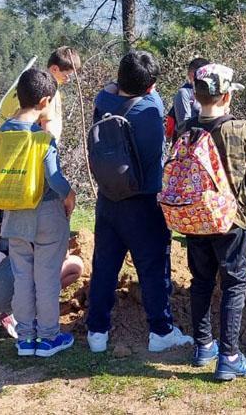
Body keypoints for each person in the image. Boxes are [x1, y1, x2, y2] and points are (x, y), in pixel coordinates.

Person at [86, 51, 194, 354]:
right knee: (153, 267)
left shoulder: (102, 104)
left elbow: (108, 90)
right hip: (144, 200)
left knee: (105, 265)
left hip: (108, 198)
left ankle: (97, 331)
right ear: (151, 85)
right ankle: (160, 331)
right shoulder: (150, 111)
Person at [0, 68, 77, 358]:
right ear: (45, 101)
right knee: (45, 277)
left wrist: (7, 185)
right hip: (46, 214)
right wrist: (70, 195)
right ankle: (48, 338)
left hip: (14, 216)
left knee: (22, 276)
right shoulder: (43, 139)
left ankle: (25, 337)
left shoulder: (0, 134)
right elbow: (54, 179)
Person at [178, 63, 246, 381]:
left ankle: (203, 346)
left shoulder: (186, 128)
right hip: (231, 220)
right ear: (227, 95)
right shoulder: (240, 129)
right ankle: (228, 356)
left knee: (200, 281)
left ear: (197, 95)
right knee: (234, 284)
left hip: (196, 217)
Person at [0, 46, 82, 140]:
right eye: (67, 75)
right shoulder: (49, 93)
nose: (68, 80)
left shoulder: (26, 83)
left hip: (3, 140)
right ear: (54, 69)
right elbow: (48, 132)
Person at [167, 57, 210, 141]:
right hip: (187, 145)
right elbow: (183, 125)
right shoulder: (184, 93)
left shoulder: (209, 91)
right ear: (191, 74)